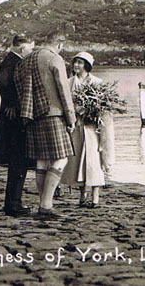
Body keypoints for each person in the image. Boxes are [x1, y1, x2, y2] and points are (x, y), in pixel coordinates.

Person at [13, 31, 76, 218]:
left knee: (41, 160)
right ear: (59, 45)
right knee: (61, 158)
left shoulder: (26, 59)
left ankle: (43, 203)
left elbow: (18, 85)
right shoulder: (54, 59)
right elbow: (64, 91)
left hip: (33, 115)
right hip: (53, 114)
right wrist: (71, 118)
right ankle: (46, 205)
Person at [0, 34, 35, 216]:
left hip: (11, 118)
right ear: (21, 48)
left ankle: (13, 201)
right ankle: (13, 203)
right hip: (13, 119)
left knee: (18, 161)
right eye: (30, 49)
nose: (30, 52)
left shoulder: (11, 60)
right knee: (18, 160)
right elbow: (2, 82)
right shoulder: (13, 61)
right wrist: (10, 102)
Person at [61, 52, 107, 207]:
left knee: (93, 161)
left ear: (87, 65)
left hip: (92, 127)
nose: (76, 65)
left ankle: (95, 197)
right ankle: (82, 195)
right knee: (77, 160)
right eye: (75, 62)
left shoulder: (97, 82)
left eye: (80, 63)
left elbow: (103, 107)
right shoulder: (69, 82)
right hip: (76, 126)